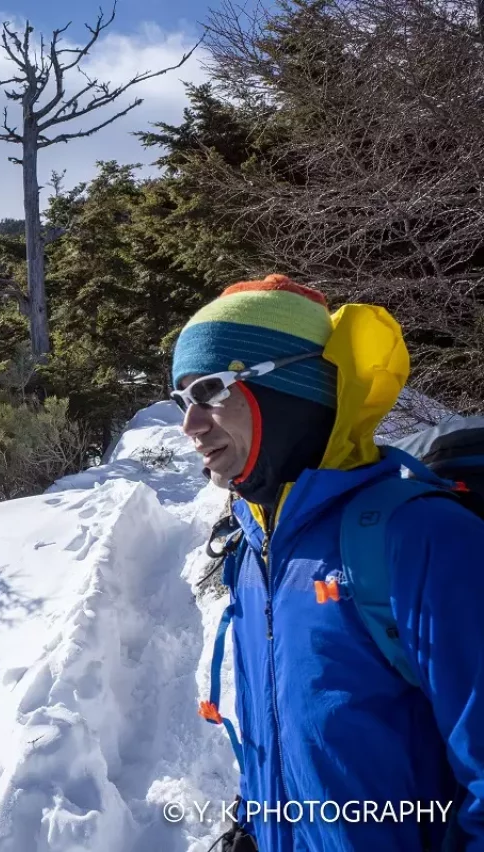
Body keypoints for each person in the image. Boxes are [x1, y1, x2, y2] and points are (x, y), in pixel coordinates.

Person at [169, 274, 484, 851]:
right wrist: (254, 824)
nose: (190, 426)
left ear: (293, 387)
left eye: (210, 390)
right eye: (182, 399)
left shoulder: (420, 536)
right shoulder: (253, 550)